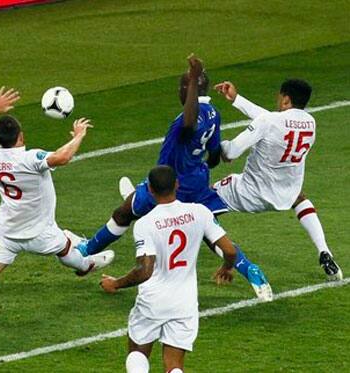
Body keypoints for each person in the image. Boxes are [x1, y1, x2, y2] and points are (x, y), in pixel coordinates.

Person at [76, 55, 272, 301]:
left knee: (124, 212)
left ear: (186, 90)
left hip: (169, 184)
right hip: (197, 183)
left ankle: (86, 250)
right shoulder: (214, 113)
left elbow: (190, 123)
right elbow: (213, 156)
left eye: (183, 87)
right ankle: (249, 269)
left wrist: (191, 80)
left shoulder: (188, 118)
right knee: (208, 234)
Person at [0, 87, 115, 330]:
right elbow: (62, 157)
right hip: (40, 232)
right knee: (67, 251)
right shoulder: (30, 158)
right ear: (21, 136)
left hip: (6, 232)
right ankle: (86, 265)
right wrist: (78, 135)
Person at [100, 165, 236, 373]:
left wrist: (115, 284)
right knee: (174, 366)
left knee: (137, 352)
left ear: (150, 190)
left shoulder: (145, 223)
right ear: (177, 185)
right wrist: (226, 268)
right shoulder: (199, 212)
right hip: (185, 303)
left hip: (153, 301)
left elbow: (144, 270)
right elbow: (229, 250)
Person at [213, 79, 343, 281]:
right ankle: (324, 252)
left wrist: (215, 143)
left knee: (202, 207)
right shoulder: (311, 123)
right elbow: (271, 120)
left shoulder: (270, 122)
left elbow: (230, 153)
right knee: (301, 199)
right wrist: (236, 100)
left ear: (286, 99)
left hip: (248, 193)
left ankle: (239, 265)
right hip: (286, 194)